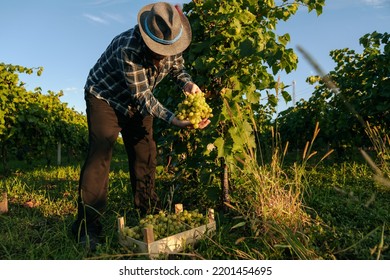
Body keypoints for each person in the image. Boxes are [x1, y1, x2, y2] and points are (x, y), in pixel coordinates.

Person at [71, 2, 210, 250]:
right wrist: (174, 119)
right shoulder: (128, 46)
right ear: (147, 38)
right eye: (158, 50)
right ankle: (87, 226)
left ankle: (149, 214)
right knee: (101, 153)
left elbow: (178, 69)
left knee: (146, 153)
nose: (164, 54)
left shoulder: (173, 41)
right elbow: (143, 96)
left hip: (137, 105)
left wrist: (187, 84)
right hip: (106, 98)